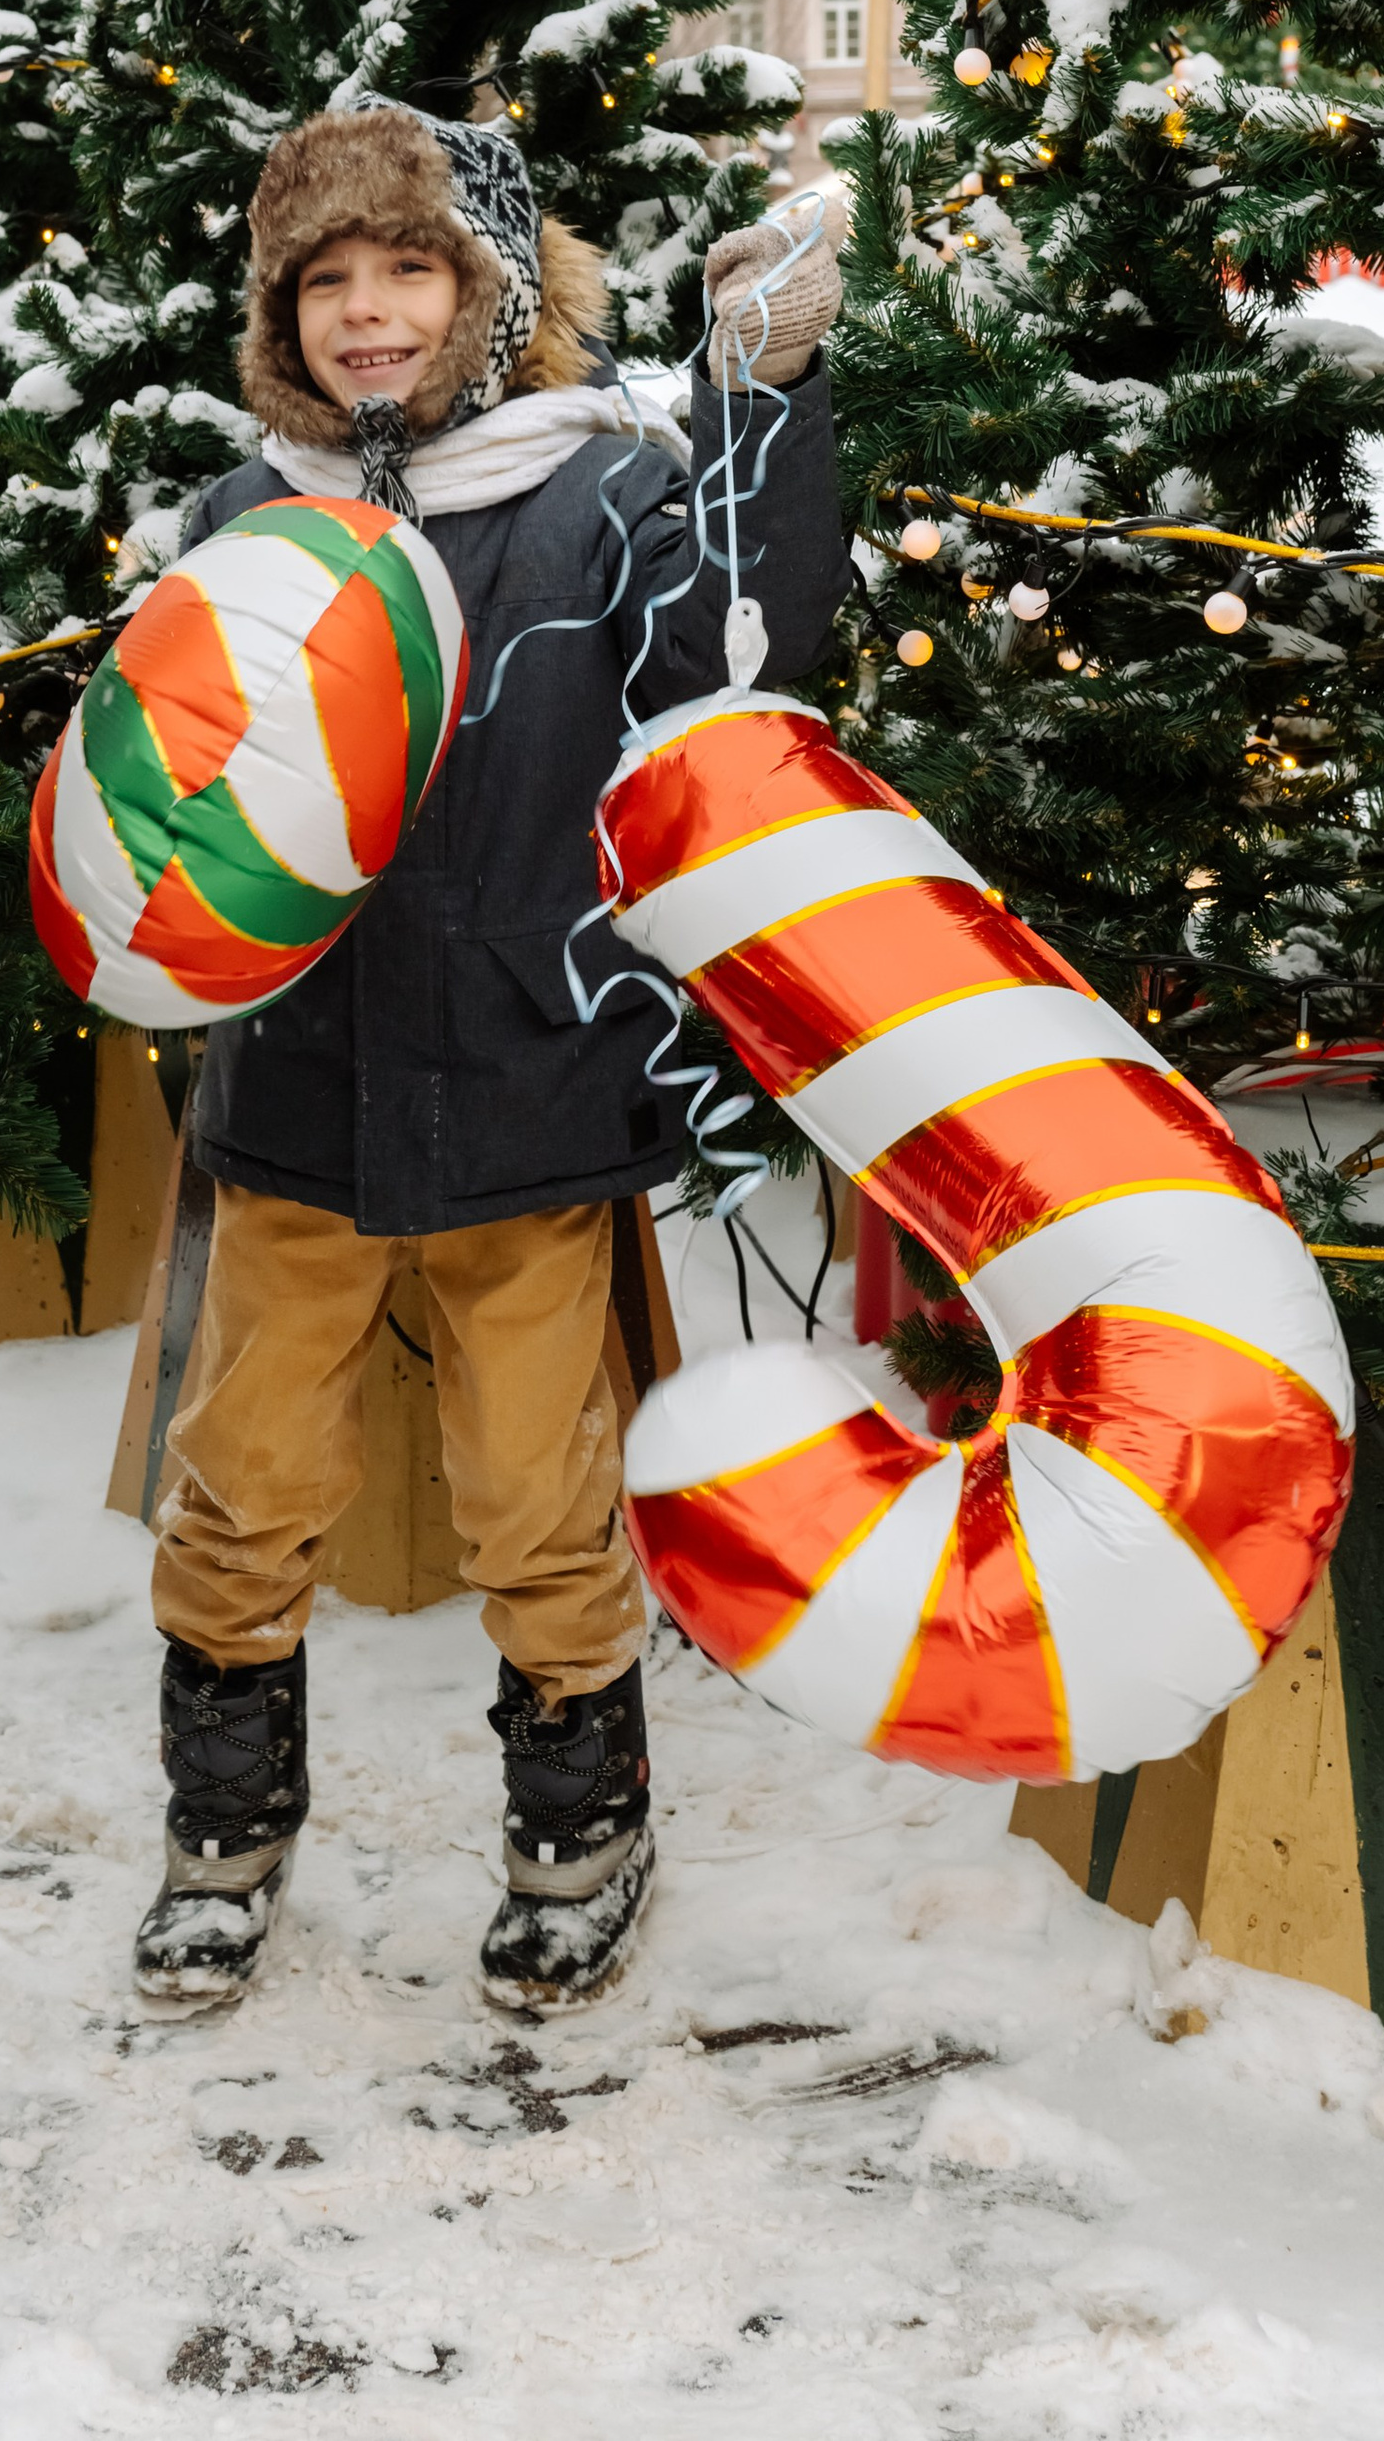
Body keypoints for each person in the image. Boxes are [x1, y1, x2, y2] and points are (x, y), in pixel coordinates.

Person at [132, 100, 848, 2015]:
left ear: (493, 290)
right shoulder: (242, 520)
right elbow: (168, 791)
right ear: (283, 314)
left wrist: (763, 398)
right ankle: (223, 1833)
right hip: (291, 1104)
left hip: (529, 1093)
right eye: (328, 279)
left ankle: (580, 1832)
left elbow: (750, 665)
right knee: (241, 1483)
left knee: (536, 1494)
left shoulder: (598, 496)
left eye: (411, 268)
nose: (369, 313)